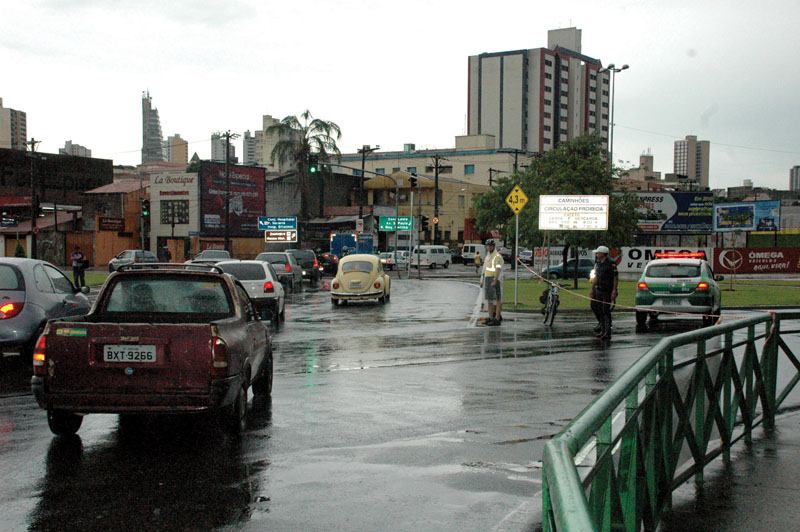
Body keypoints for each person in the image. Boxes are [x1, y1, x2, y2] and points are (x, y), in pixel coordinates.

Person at [590, 246, 618, 339]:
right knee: (597, 309)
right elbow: (596, 277)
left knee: (605, 311)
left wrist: (614, 291)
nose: (596, 254)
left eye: (598, 253)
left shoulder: (611, 263)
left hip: (607, 291)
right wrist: (592, 289)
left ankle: (607, 331)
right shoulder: (598, 263)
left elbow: (615, 278)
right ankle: (602, 329)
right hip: (598, 290)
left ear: (603, 254)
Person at [479, 240, 504, 326]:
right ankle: (491, 317)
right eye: (488, 246)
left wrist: (496, 279)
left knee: (497, 299)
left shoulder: (497, 256)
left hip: (495, 279)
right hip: (487, 278)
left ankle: (497, 318)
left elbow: (498, 268)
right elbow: (484, 269)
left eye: (490, 246)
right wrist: (482, 280)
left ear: (493, 246)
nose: (489, 247)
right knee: (489, 299)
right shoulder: (488, 256)